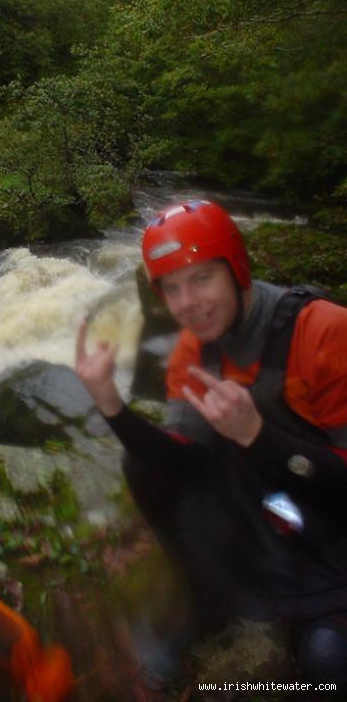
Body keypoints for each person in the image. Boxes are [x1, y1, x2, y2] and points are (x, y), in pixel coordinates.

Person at [75, 199, 347, 690]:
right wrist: (113, 406)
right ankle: (209, 600)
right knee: (142, 466)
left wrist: (257, 436)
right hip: (271, 503)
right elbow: (183, 461)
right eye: (172, 289)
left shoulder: (324, 330)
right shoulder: (193, 348)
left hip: (333, 520)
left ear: (236, 269)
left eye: (202, 279)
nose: (187, 304)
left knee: (327, 662)